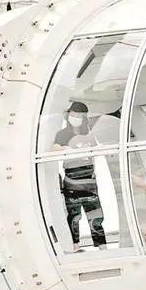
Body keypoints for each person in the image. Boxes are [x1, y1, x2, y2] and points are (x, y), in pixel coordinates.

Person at [53, 101, 106, 251]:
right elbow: (55, 148)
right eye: (73, 115)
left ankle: (102, 245)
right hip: (72, 178)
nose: (75, 118)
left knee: (95, 213)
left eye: (79, 116)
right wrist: (66, 149)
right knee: (74, 214)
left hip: (88, 178)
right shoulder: (62, 134)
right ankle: (74, 245)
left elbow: (95, 151)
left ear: (84, 118)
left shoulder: (89, 134)